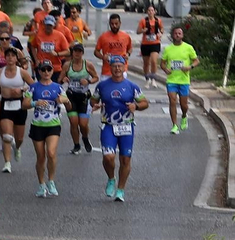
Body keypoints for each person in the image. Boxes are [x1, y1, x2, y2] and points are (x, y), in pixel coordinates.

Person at [94, 56, 149, 201]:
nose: (117, 68)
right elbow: (93, 99)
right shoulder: (102, 86)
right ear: (110, 68)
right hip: (109, 126)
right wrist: (96, 105)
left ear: (124, 67)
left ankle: (120, 190)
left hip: (126, 127)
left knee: (125, 160)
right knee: (108, 156)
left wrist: (135, 106)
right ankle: (111, 178)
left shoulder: (132, 86)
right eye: (114, 66)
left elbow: (145, 103)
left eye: (120, 66)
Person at [28, 61, 70, 197]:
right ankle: (41, 184)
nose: (46, 72)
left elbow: (68, 106)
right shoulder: (33, 87)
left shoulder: (58, 88)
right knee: (40, 157)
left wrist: (64, 101)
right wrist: (35, 102)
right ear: (39, 71)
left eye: (49, 70)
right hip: (37, 125)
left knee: (51, 153)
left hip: (53, 125)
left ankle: (51, 181)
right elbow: (24, 104)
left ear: (52, 71)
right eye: (43, 70)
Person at [0, 44, 33, 173]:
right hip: (6, 104)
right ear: (5, 58)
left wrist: (22, 89)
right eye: (8, 56)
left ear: (16, 59)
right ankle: (7, 163)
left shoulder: (21, 72)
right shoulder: (0, 72)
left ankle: (17, 148)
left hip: (20, 105)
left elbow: (33, 86)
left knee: (19, 138)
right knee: (6, 136)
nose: (10, 58)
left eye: (13, 56)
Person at [62, 44, 99, 154]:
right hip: (71, 96)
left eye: (79, 51)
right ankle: (76, 145)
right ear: (72, 53)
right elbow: (60, 79)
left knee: (83, 124)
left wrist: (88, 81)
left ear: (82, 53)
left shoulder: (88, 65)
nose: (77, 54)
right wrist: (64, 78)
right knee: (73, 122)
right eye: (75, 51)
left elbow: (96, 77)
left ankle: (85, 138)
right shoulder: (67, 65)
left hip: (84, 97)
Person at [162, 26, 199, 134]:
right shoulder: (168, 49)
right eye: (175, 33)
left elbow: (196, 61)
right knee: (172, 101)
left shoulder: (188, 48)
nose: (177, 35)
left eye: (179, 33)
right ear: (172, 35)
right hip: (172, 80)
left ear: (182, 35)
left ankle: (184, 116)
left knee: (184, 105)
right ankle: (174, 125)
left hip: (184, 80)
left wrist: (190, 67)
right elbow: (163, 63)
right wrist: (165, 69)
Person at [138, 6, 165, 87]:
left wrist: (160, 33)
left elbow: (162, 29)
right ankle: (147, 79)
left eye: (152, 10)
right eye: (149, 10)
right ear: (147, 12)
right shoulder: (143, 21)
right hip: (145, 44)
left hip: (155, 43)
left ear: (155, 12)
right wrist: (143, 30)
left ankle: (153, 78)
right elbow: (138, 31)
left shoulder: (158, 20)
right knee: (146, 63)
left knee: (154, 61)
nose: (150, 12)